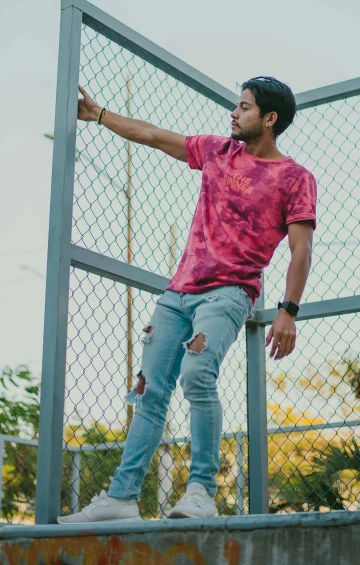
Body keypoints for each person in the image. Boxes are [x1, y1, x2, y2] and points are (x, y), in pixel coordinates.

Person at [58, 76, 317, 523]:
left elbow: (301, 249)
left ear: (269, 118)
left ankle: (200, 493)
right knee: (148, 390)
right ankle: (121, 499)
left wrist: (287, 310)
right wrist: (98, 115)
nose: (234, 114)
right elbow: (154, 136)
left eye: (244, 107)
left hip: (229, 292)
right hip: (177, 293)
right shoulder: (218, 152)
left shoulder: (295, 178)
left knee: (197, 375)